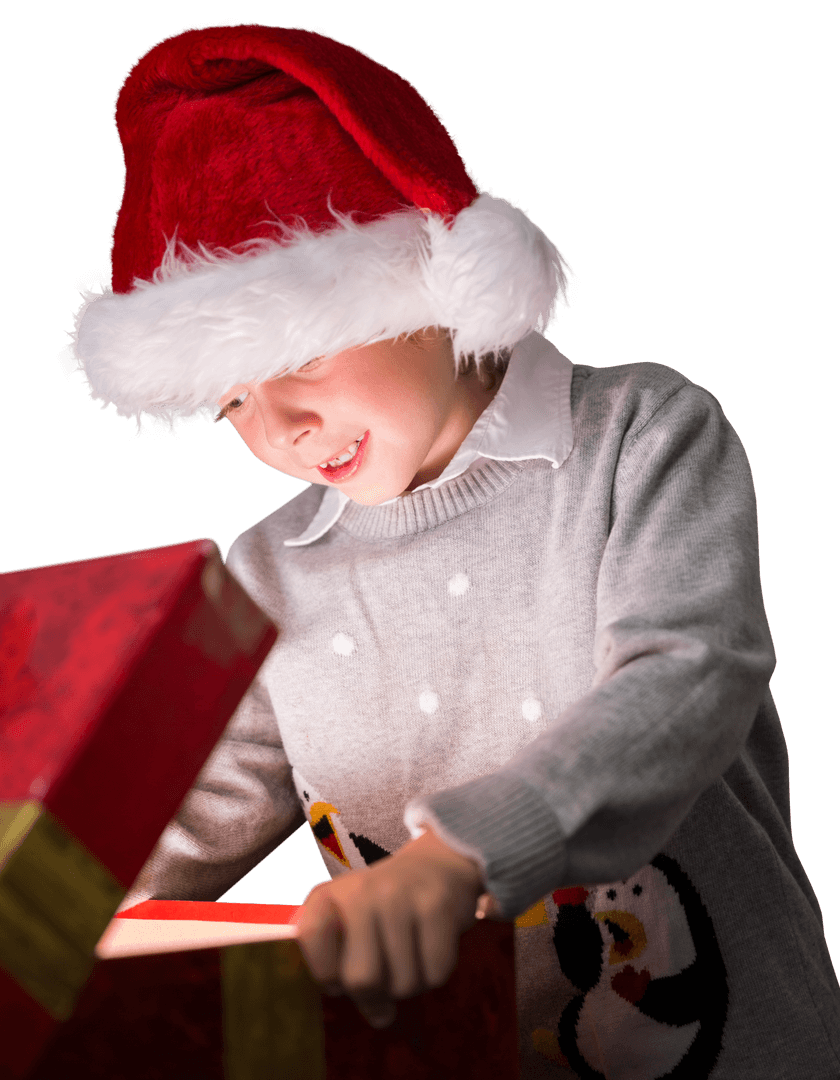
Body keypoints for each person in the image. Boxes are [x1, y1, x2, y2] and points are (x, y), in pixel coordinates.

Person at [67, 22, 840, 1079]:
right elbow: (175, 830)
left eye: (297, 354)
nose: (274, 426)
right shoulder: (263, 577)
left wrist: (461, 857)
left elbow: (689, 677)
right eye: (231, 396)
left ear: (427, 290)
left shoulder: (638, 433)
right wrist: (38, 899)